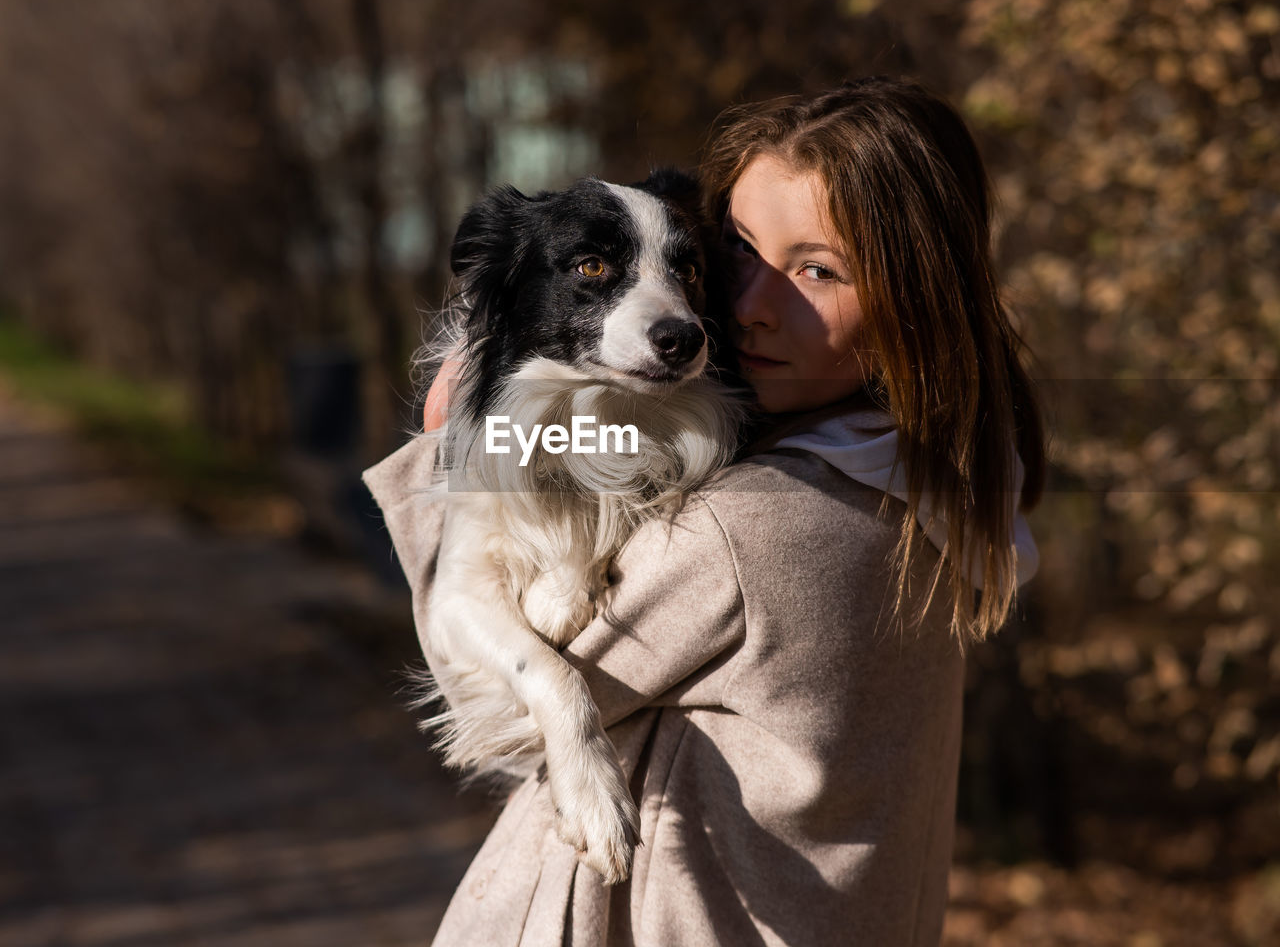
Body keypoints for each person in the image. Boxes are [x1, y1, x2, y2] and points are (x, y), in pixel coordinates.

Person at [363, 76, 1045, 947]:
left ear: (917, 303)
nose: (745, 310)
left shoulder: (747, 531)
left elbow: (483, 696)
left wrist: (446, 443)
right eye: (736, 253)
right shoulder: (924, 481)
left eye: (817, 271)